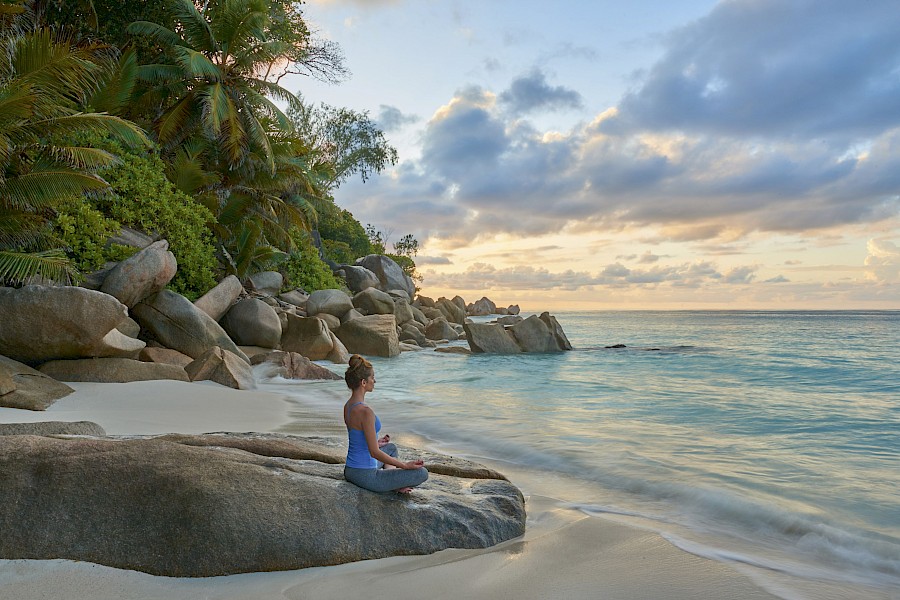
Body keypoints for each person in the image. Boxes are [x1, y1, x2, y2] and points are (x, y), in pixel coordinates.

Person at [343, 354, 428, 494]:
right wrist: (404, 466)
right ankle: (394, 484)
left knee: (391, 448)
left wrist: (377, 442)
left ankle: (394, 484)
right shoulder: (365, 412)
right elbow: (374, 452)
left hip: (351, 469)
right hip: (366, 475)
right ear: (363, 382)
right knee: (422, 473)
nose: (374, 381)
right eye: (372, 377)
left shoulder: (348, 406)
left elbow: (359, 440)